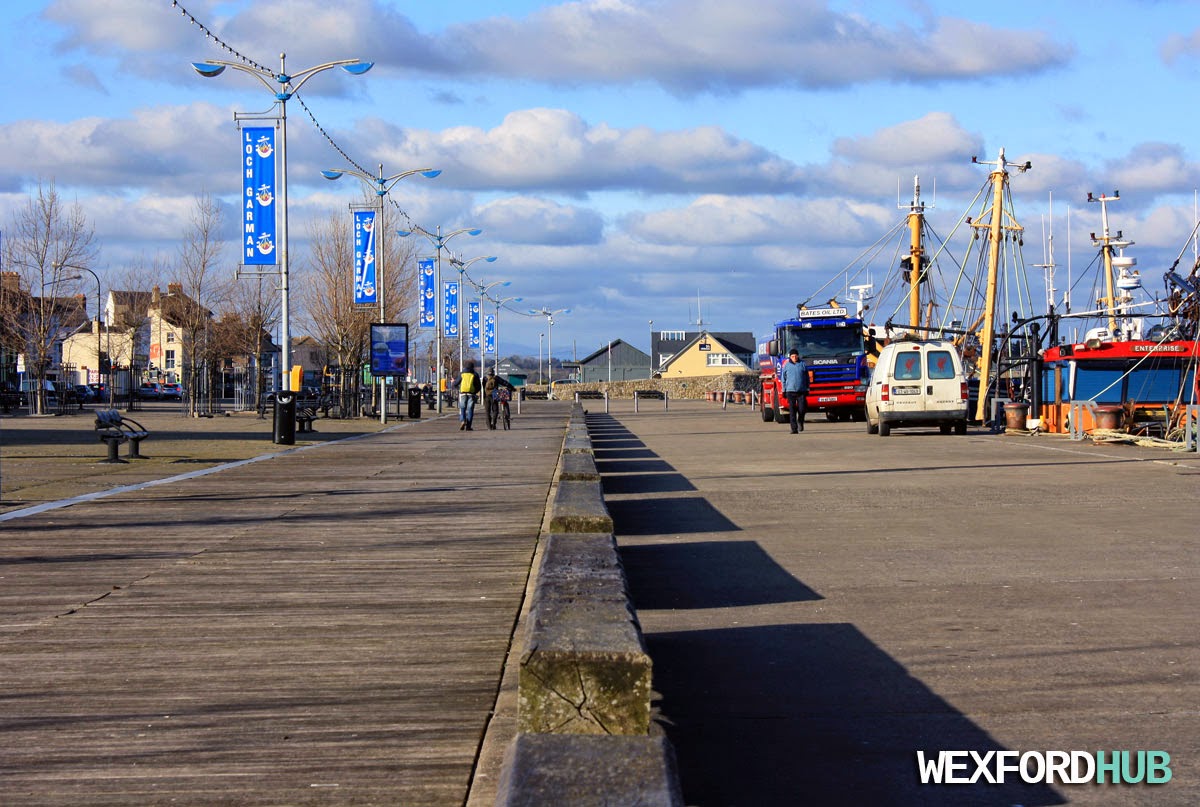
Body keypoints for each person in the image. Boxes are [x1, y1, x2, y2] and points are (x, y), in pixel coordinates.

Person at [781, 348, 809, 434]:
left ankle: (800, 421)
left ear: (798, 356)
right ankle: (794, 428)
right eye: (792, 356)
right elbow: (783, 379)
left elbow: (807, 378)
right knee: (792, 410)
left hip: (801, 391)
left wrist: (807, 388)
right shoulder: (786, 366)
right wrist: (784, 390)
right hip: (790, 391)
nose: (794, 357)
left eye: (796, 356)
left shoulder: (802, 364)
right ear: (790, 357)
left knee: (802, 409)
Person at [457, 361, 481, 430]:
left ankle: (462, 420)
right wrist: (475, 392)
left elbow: (455, 383)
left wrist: (459, 389)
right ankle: (468, 426)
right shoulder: (475, 374)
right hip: (471, 394)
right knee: (470, 409)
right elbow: (478, 386)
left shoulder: (462, 374)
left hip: (463, 393)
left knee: (462, 408)